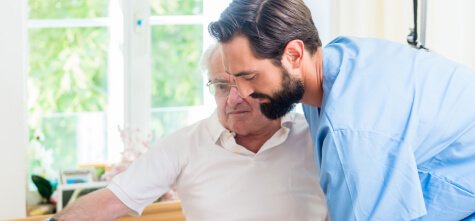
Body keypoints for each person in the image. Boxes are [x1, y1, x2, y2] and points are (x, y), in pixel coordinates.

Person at [208, 0, 475, 220]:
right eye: (233, 79)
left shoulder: (351, 131)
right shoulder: (337, 62)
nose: (242, 94)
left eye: (251, 76)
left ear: (294, 55)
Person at [49, 44, 328, 221]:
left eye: (243, 83)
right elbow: (109, 202)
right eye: (221, 86)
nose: (233, 99)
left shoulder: (313, 135)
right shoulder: (184, 146)